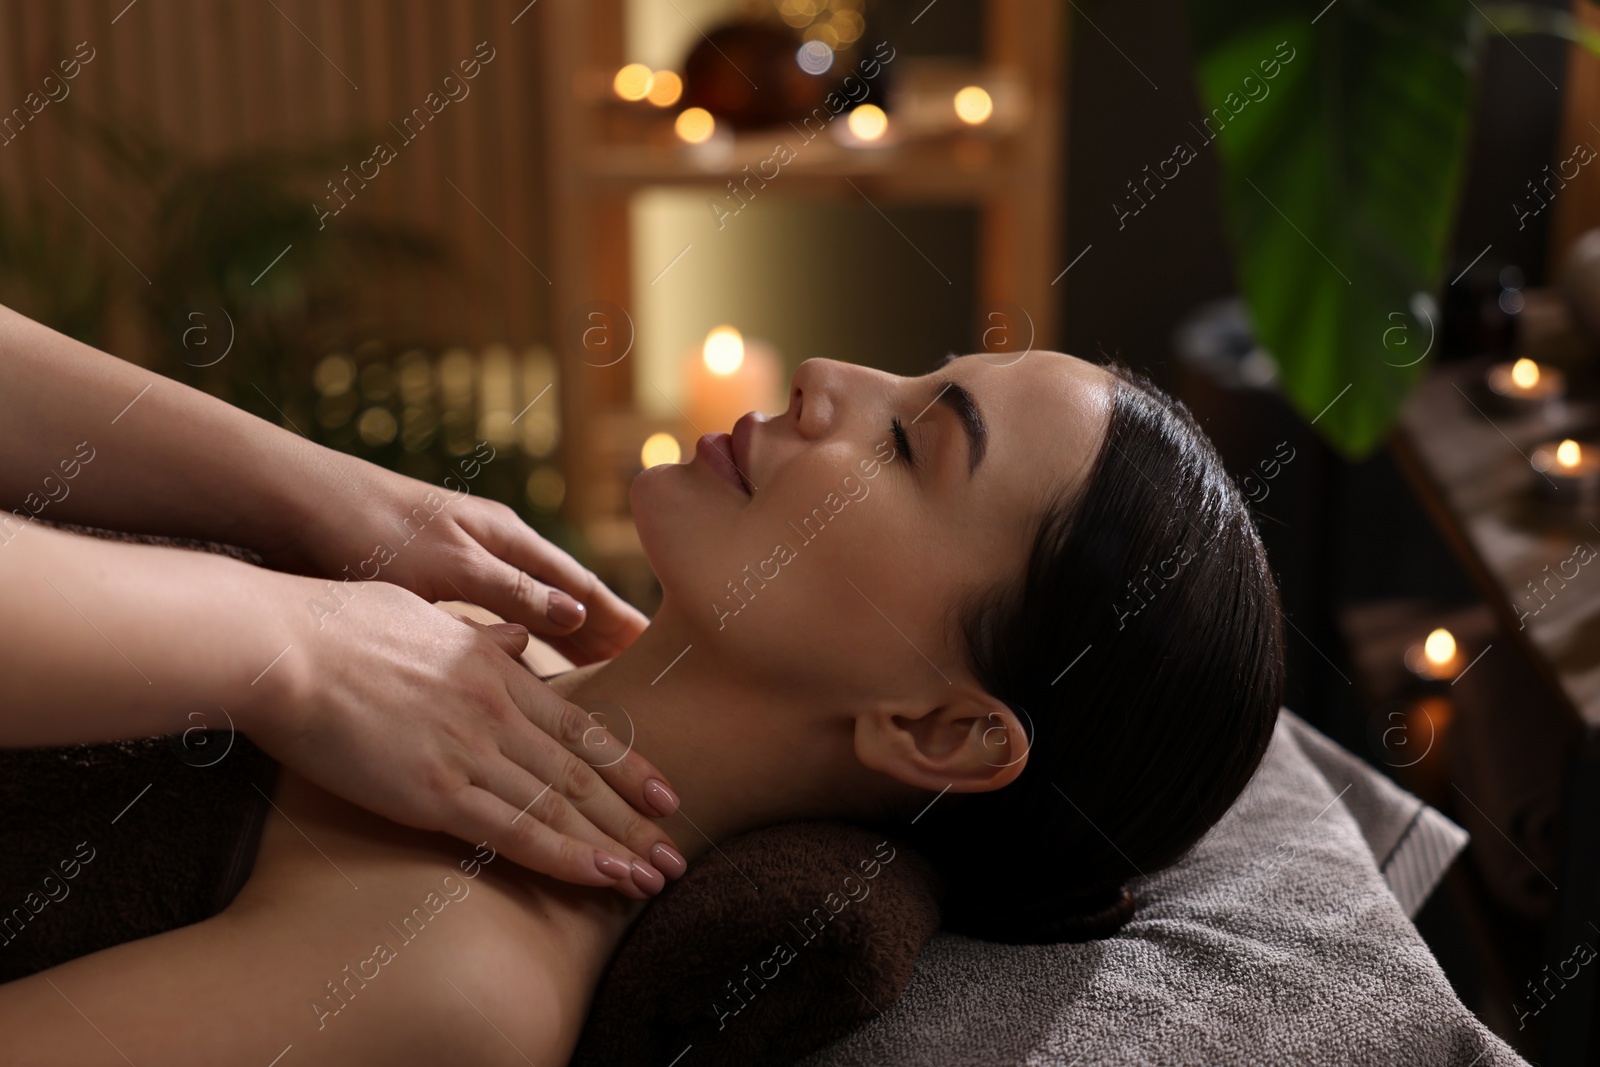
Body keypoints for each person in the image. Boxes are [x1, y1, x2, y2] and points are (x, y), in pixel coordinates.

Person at [0, 350, 1285, 1065]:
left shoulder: (456, 978)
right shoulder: (423, 606)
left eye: (910, 443)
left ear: (940, 730)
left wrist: (285, 638)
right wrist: (313, 506)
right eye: (911, 377)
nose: (832, 372)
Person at [0, 303, 684, 899]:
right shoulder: (451, 653)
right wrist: (312, 516)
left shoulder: (467, 965)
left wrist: (303, 629)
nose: (798, 378)